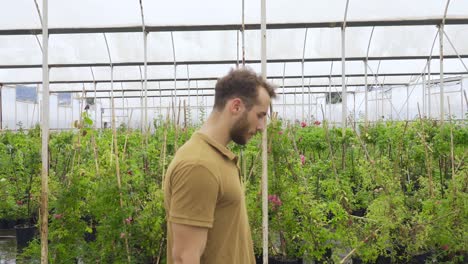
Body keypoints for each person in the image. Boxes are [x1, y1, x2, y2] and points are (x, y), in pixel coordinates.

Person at [164, 68, 276, 264]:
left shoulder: (216, 157)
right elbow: (184, 257)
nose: (261, 126)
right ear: (236, 107)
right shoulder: (199, 165)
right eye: (260, 115)